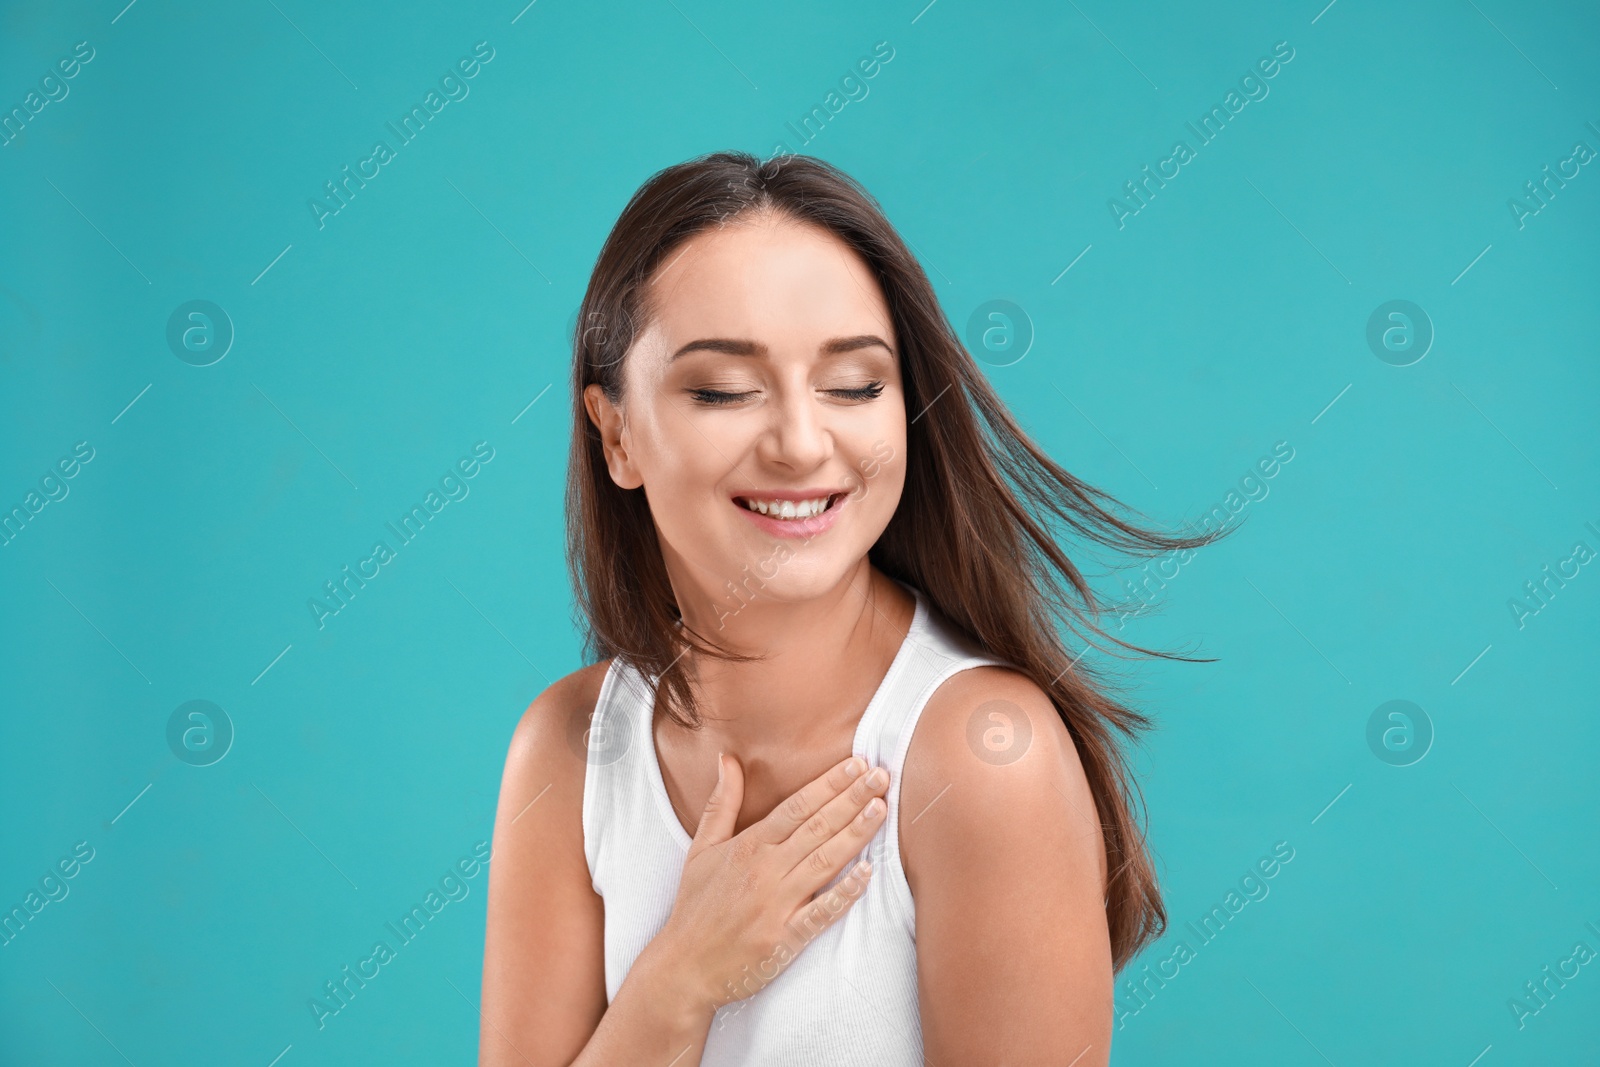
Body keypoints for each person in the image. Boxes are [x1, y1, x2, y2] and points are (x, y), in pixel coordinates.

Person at [478, 150, 1219, 1066]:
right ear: (618, 432)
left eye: (855, 384)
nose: (799, 442)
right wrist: (678, 981)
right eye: (722, 389)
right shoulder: (567, 748)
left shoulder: (984, 758)